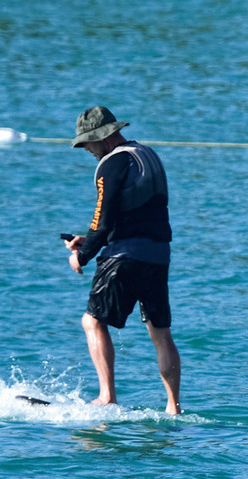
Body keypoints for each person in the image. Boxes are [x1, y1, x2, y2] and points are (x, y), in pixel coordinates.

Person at [64, 106, 182, 413]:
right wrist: (86, 238)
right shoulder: (147, 155)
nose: (87, 150)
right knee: (160, 332)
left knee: (92, 321)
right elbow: (133, 214)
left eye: (88, 143)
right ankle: (173, 406)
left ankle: (107, 396)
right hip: (158, 255)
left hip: (124, 257)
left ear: (103, 137)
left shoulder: (111, 164)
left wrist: (82, 256)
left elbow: (102, 221)